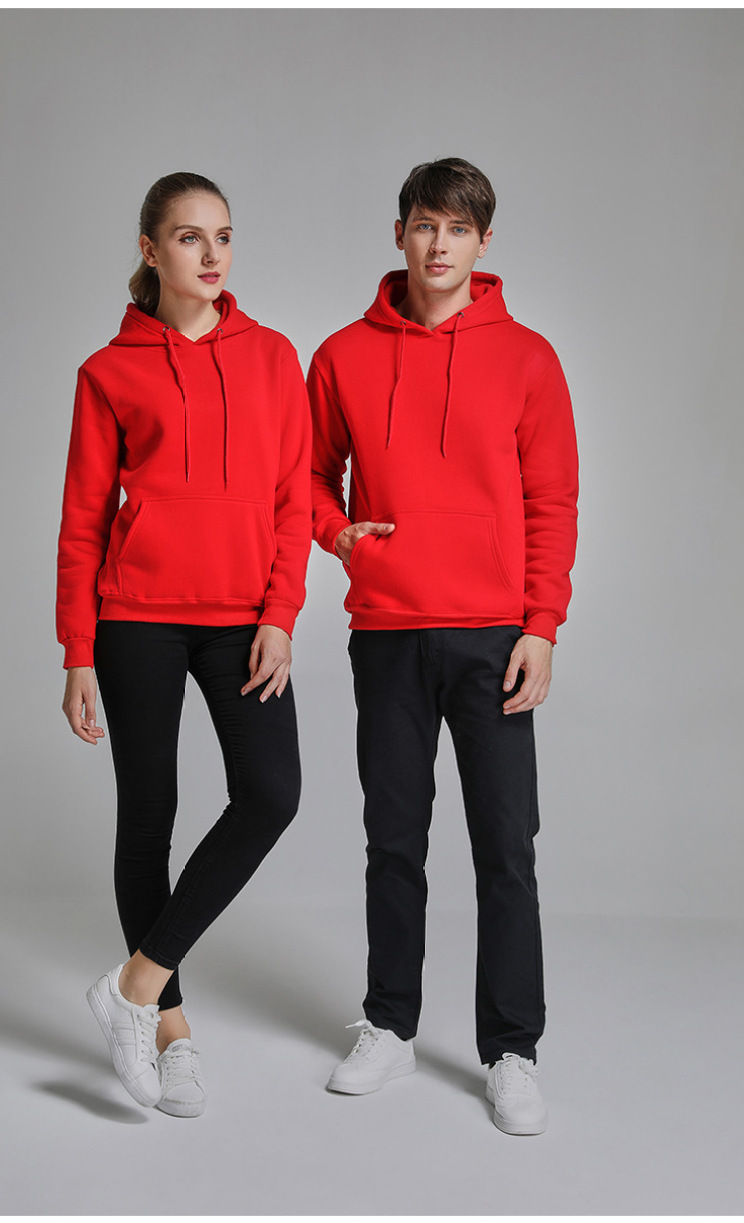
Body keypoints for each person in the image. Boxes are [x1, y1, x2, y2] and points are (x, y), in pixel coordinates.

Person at [307, 157, 578, 1135]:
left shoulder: (528, 359)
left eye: (457, 229)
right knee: (393, 838)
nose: (438, 244)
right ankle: (389, 1024)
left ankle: (510, 1049)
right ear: (399, 233)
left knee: (505, 845)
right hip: (386, 632)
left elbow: (552, 502)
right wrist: (337, 532)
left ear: (482, 242)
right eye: (424, 224)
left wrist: (540, 625)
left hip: (494, 634)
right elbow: (307, 476)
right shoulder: (342, 355)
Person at [57, 172, 311, 1117]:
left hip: (244, 617)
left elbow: (292, 500)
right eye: (190, 237)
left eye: (224, 236)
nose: (212, 255)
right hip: (137, 618)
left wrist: (281, 613)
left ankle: (131, 985)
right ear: (150, 248)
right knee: (148, 816)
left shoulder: (273, 357)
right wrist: (77, 650)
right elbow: (83, 520)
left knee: (271, 793)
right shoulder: (109, 372)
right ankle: (169, 1031)